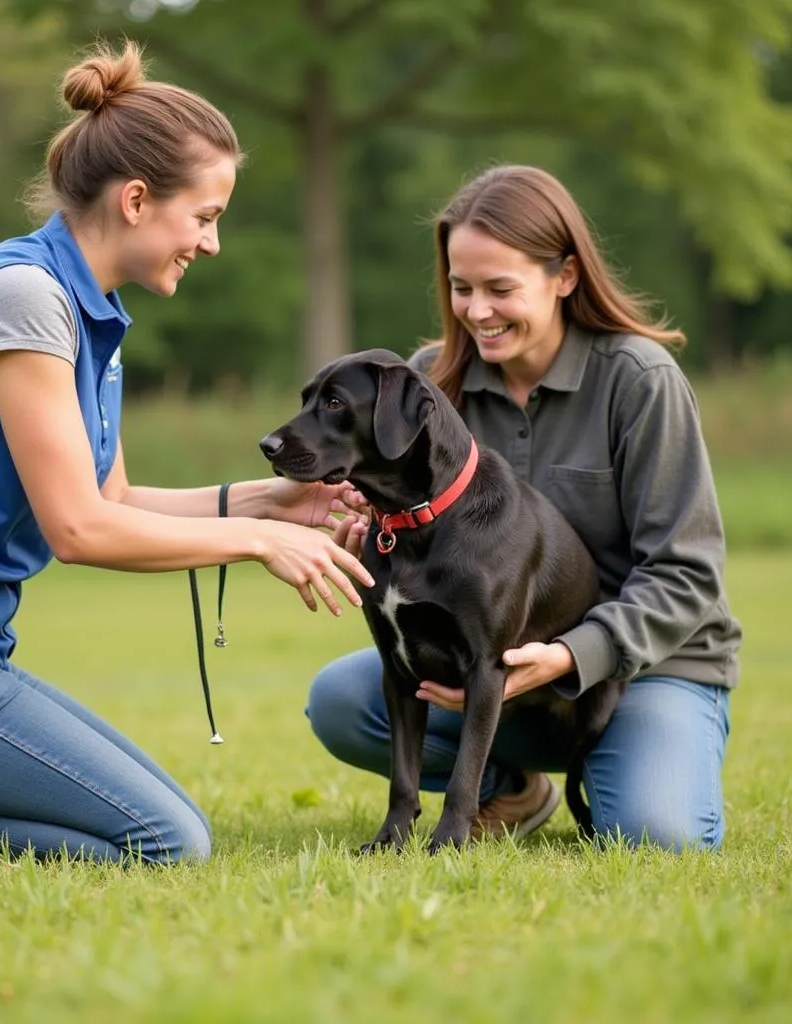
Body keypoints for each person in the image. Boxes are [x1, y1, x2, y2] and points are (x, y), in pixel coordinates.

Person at [0, 40, 374, 870]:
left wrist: (269, 502)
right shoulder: (25, 298)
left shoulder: (87, 310)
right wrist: (260, 542)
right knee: (166, 841)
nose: (210, 244)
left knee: (167, 823)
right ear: (136, 199)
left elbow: (115, 496)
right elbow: (79, 529)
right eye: (203, 218)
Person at [311, 164, 741, 851]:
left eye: (499, 289)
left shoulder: (640, 382)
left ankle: (624, 765)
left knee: (660, 834)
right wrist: (376, 521)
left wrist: (573, 656)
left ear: (564, 276)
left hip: (642, 671)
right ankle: (508, 791)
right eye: (460, 288)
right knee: (342, 701)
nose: (476, 311)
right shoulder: (429, 384)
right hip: (489, 673)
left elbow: (688, 575)